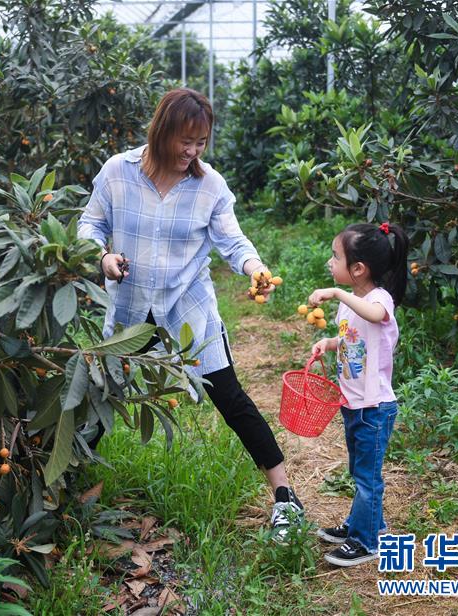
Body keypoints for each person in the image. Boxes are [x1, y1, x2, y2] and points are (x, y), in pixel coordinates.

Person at [77, 88, 303, 541]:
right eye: (185, 141)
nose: (192, 151)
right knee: (103, 394)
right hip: (130, 308)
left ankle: (284, 496)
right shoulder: (118, 171)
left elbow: (233, 241)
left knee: (230, 397)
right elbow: (91, 223)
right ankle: (64, 486)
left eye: (201, 142)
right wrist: (102, 257)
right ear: (162, 131)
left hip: (187, 308)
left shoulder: (209, 185)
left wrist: (255, 268)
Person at [307, 221, 409, 566]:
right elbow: (353, 338)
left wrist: (336, 293)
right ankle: (366, 524)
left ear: (359, 269)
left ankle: (366, 542)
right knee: (359, 470)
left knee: (368, 477)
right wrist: (330, 342)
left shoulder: (379, 299)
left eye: (335, 256)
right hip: (353, 403)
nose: (330, 262)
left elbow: (375, 316)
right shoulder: (351, 304)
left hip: (375, 407)